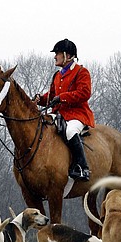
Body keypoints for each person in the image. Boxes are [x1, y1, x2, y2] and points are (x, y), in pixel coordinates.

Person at [34, 38, 94, 182]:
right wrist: (39, 99)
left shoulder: (81, 72)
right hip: (59, 115)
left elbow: (84, 93)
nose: (55, 56)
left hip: (77, 114)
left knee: (70, 131)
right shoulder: (58, 75)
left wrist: (63, 97)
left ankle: (82, 167)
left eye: (58, 53)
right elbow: (52, 96)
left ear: (68, 55)